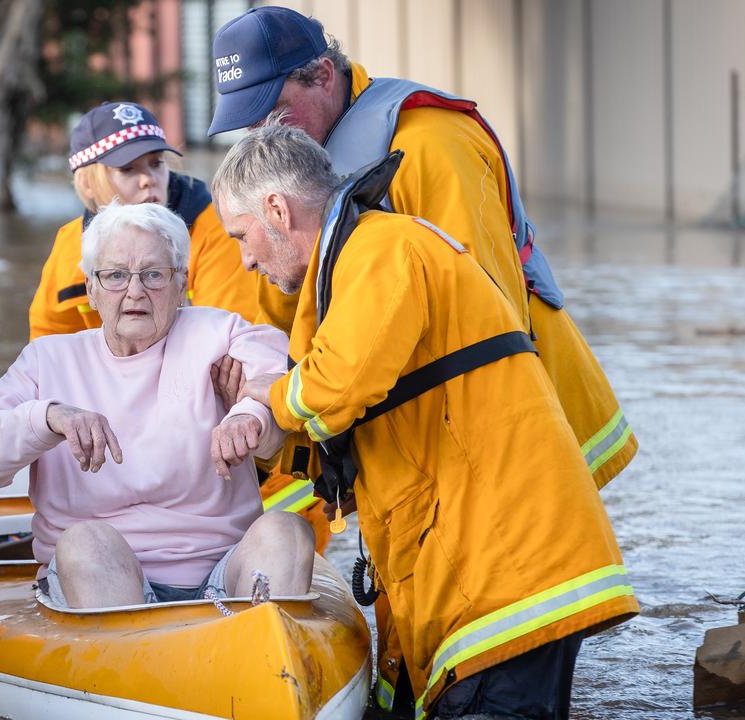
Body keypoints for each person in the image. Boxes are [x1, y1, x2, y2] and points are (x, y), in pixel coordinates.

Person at [214, 124, 639, 719]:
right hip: (477, 577)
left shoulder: (381, 250)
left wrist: (267, 397)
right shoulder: (361, 260)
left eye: (242, 235)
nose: (245, 259)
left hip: (502, 579)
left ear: (278, 210)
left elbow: (338, 383)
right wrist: (266, 438)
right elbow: (356, 427)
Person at [0, 202, 313, 608]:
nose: (135, 291)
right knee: (85, 540)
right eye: (115, 276)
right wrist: (49, 417)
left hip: (222, 569)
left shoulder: (217, 332)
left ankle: (263, 659)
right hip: (99, 576)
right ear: (90, 288)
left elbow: (278, 369)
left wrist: (247, 414)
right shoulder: (47, 359)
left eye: (154, 275)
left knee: (287, 530)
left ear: (182, 284)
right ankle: (130, 657)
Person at [28, 102, 258, 341]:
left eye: (156, 163)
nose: (148, 179)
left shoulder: (216, 230)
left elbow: (228, 341)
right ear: (87, 184)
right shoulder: (71, 245)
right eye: (128, 169)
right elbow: (47, 346)